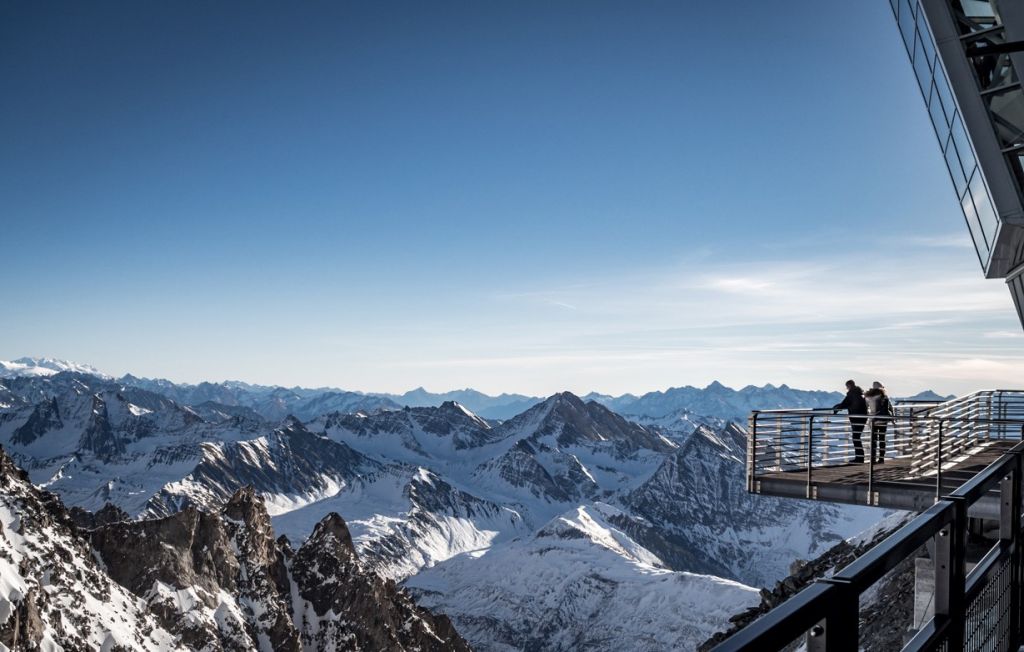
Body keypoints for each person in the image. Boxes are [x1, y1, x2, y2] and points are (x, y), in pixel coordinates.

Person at [833, 380, 868, 463]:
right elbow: (848, 403)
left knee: (856, 437)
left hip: (856, 418)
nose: (846, 388)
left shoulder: (851, 394)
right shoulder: (860, 393)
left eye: (847, 386)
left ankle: (859, 458)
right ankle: (860, 457)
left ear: (849, 385)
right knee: (857, 437)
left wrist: (836, 409)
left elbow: (844, 403)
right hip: (863, 417)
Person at [864, 381, 894, 464]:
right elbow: (890, 408)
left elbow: (866, 408)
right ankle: (881, 458)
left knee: (873, 440)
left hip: (873, 420)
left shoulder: (868, 397)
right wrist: (892, 418)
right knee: (882, 439)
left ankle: (872, 459)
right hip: (883, 420)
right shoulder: (884, 396)